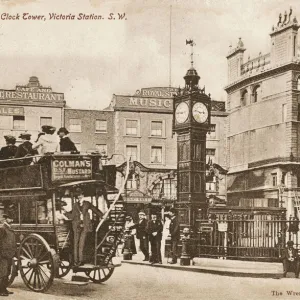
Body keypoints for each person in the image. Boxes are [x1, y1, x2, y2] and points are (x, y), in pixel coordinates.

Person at [77, 190, 104, 265]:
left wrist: (102, 215)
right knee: (80, 242)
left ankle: (82, 259)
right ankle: (80, 259)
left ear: (83, 195)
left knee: (83, 242)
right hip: (78, 226)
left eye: (80, 195)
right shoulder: (76, 204)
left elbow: (94, 209)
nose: (79, 196)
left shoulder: (87, 203)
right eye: (78, 195)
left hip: (86, 226)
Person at [0, 214, 16, 296]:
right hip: (3, 253)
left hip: (9, 253)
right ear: (6, 219)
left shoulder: (9, 228)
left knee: (8, 271)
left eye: (12, 218)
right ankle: (1, 290)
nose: (12, 220)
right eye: (10, 218)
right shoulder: (2, 228)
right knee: (3, 272)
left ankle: (5, 289)